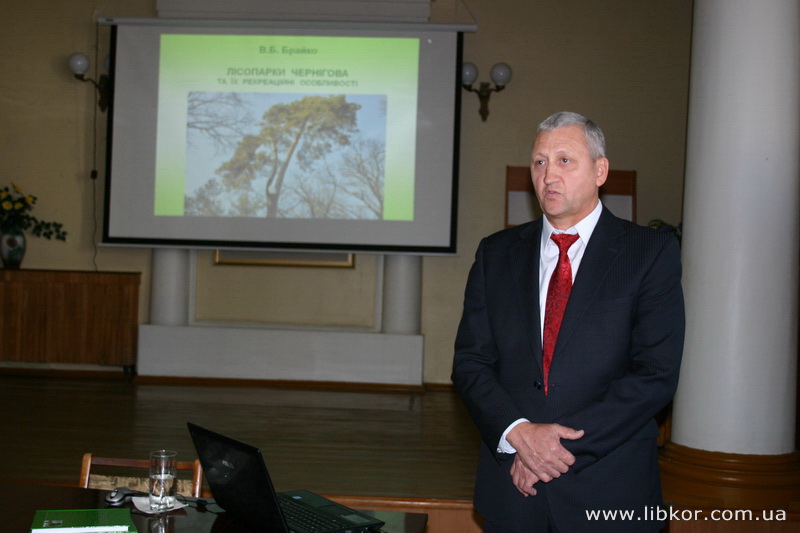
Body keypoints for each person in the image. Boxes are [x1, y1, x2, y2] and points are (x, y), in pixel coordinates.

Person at [451, 111, 685, 532]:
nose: (548, 175)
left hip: (608, 489)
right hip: (513, 491)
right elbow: (471, 363)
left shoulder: (648, 253)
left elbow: (654, 374)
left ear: (600, 171)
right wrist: (519, 435)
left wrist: (549, 451)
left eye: (564, 160)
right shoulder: (496, 253)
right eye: (539, 162)